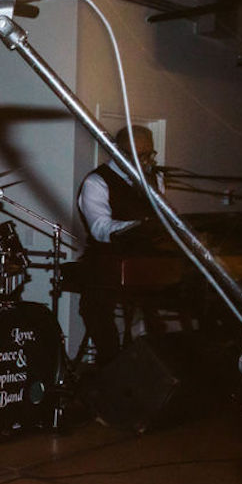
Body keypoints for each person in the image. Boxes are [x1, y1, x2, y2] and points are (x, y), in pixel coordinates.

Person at [76, 124, 165, 364]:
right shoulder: (96, 182)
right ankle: (111, 364)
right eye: (138, 155)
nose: (145, 161)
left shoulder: (155, 178)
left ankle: (152, 362)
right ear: (118, 152)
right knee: (96, 309)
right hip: (106, 261)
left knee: (160, 313)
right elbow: (100, 229)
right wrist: (136, 226)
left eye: (149, 154)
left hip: (145, 263)